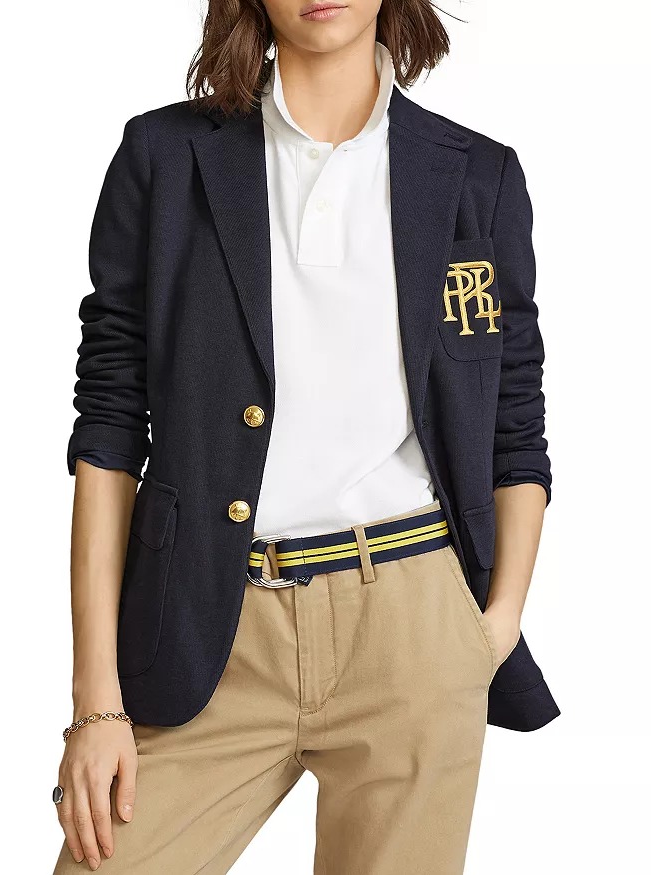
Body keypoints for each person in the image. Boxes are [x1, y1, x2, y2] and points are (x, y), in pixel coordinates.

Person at [53, 1, 559, 872]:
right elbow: (108, 425)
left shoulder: (477, 175)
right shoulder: (164, 157)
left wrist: (494, 626)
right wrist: (96, 701)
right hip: (211, 624)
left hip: (412, 631)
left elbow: (515, 420)